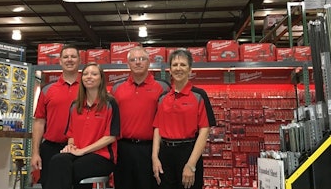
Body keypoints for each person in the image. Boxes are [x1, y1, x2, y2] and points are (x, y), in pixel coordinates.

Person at [45, 62, 120, 189]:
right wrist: (70, 147)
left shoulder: (110, 103)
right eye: (85, 74)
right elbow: (71, 134)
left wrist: (82, 151)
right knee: (57, 160)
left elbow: (111, 137)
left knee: (67, 170)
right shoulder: (75, 105)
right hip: (78, 153)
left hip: (102, 157)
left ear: (101, 79)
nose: (89, 76)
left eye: (94, 74)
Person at [152, 49, 216, 189]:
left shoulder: (199, 95)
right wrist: (155, 158)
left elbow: (204, 130)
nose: (178, 68)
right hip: (165, 155)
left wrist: (191, 165)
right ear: (169, 70)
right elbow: (157, 128)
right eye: (175, 65)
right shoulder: (163, 98)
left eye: (183, 65)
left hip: (188, 153)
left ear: (190, 69)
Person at [111, 46, 170, 189]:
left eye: (142, 59)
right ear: (128, 64)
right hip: (123, 150)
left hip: (151, 150)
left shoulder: (163, 87)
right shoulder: (116, 88)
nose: (138, 62)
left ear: (149, 62)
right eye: (133, 60)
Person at [31, 45, 81, 188]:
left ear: (79, 60)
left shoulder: (88, 87)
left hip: (79, 149)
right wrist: (35, 153)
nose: (69, 60)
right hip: (51, 150)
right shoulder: (48, 89)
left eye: (73, 56)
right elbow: (39, 122)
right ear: (60, 61)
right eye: (66, 57)